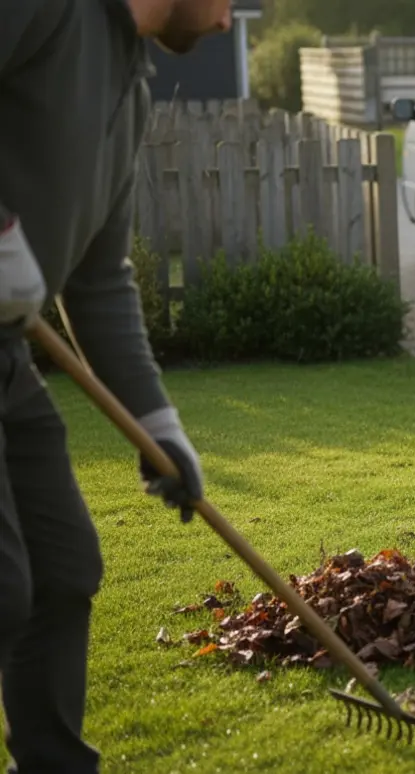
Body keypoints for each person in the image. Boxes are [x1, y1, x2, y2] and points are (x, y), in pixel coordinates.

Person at [0, 1, 232, 770]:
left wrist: (159, 424)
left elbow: (99, 279)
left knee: (62, 569)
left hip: (6, 361)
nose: (231, 22)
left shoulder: (128, 92)